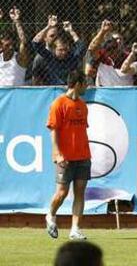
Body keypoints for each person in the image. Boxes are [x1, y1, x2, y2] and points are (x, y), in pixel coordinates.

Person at [45, 70, 91, 240]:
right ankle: (50, 215)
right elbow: (53, 130)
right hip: (64, 157)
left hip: (83, 156)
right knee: (62, 193)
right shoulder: (58, 104)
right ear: (77, 84)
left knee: (80, 192)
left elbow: (81, 131)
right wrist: (57, 153)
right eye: (85, 83)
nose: (87, 86)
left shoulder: (83, 105)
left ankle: (75, 229)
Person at [32, 16, 86, 85]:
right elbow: (35, 42)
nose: (64, 52)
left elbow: (82, 47)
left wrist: (71, 31)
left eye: (65, 49)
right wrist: (48, 26)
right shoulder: (50, 57)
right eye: (60, 50)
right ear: (54, 49)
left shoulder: (71, 58)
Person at [85, 20, 131, 86]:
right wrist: (102, 31)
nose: (118, 42)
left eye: (114, 47)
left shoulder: (127, 56)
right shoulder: (102, 55)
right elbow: (92, 48)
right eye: (109, 48)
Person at [0, 7, 29, 86]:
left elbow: (23, 42)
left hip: (16, 95)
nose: (11, 47)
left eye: (12, 44)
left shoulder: (19, 59)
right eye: (7, 45)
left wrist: (17, 21)